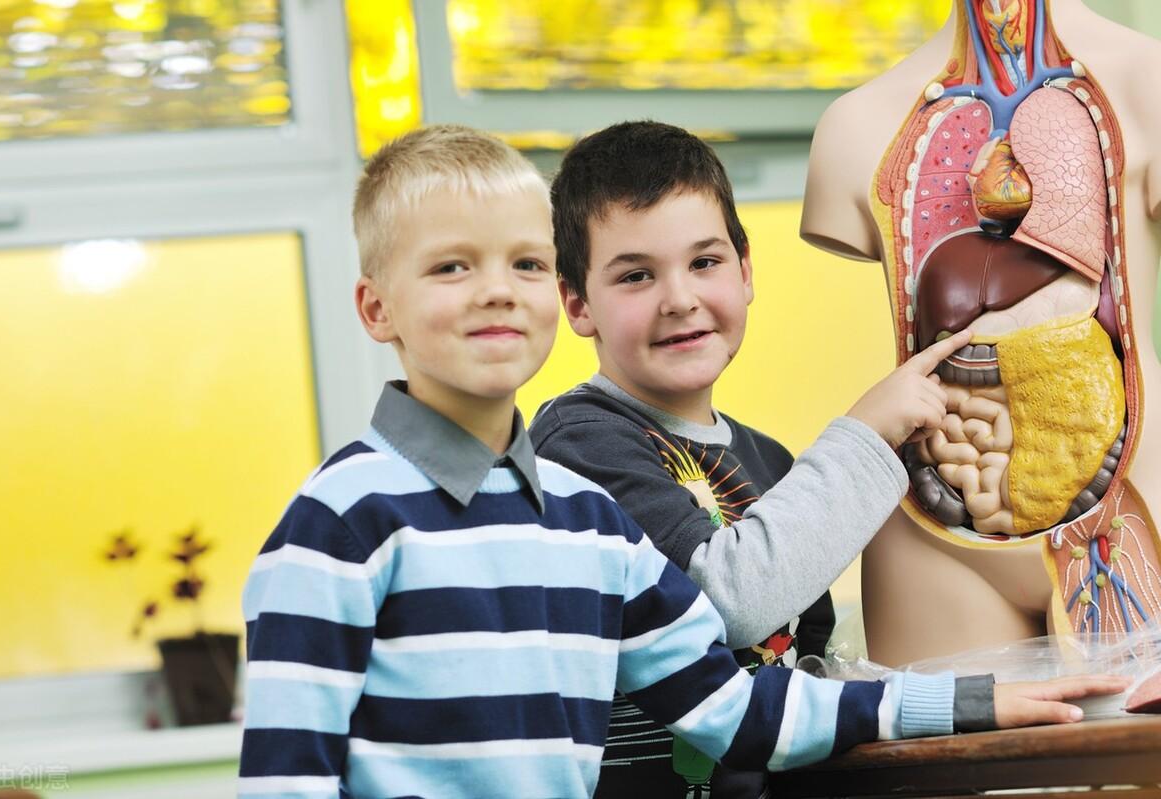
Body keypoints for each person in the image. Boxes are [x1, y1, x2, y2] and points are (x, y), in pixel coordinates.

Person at [237, 124, 1129, 799]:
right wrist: (868, 434)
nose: (496, 290)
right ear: (375, 307)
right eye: (451, 268)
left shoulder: (587, 523)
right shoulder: (339, 523)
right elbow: (285, 776)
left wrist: (978, 701)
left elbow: (741, 709)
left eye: (521, 262)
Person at [527, 119, 977, 797]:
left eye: (703, 262)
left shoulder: (765, 457)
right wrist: (865, 433)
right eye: (636, 275)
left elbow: (807, 659)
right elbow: (719, 603)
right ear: (576, 302)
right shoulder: (578, 441)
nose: (679, 298)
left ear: (745, 271)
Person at [799, 0, 1161, 665]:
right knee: (954, 771)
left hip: (1133, 501)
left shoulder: (1148, 80)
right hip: (931, 529)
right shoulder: (854, 125)